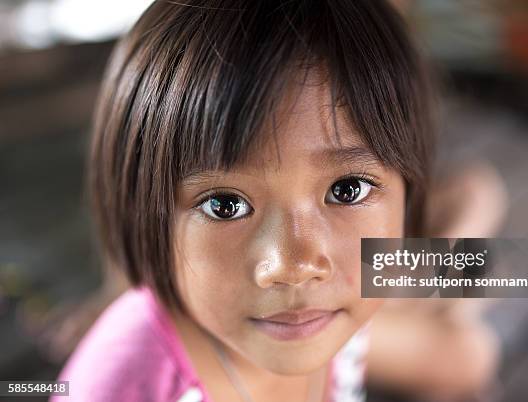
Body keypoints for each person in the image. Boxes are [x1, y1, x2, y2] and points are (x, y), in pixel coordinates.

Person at [51, 1, 502, 401]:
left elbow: (467, 360)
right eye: (224, 204)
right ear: (141, 219)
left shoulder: (340, 316)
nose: (294, 263)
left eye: (347, 190)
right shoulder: (122, 382)